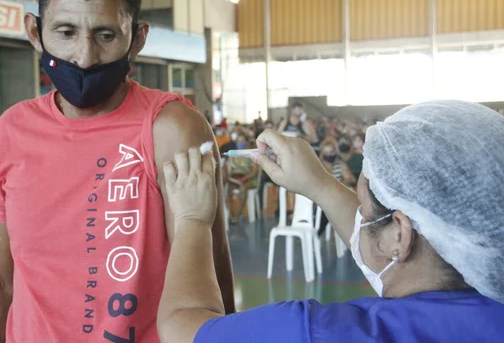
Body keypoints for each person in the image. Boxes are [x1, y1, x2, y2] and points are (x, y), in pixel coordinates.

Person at [0, 0, 234, 342]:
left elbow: (211, 276)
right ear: (34, 32)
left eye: (106, 35)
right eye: (65, 32)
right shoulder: (10, 131)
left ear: (137, 38)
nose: (84, 57)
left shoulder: (172, 129)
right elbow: (0, 279)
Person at [157, 100, 504, 342]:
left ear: (401, 235)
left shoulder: (321, 333)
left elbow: (181, 328)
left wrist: (191, 219)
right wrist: (319, 183)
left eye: (364, 210)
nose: (359, 221)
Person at [224, 134, 258, 223]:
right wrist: (232, 179)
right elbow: (229, 171)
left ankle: (238, 215)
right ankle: (230, 215)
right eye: (239, 141)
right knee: (228, 190)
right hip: (235, 178)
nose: (240, 143)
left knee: (243, 189)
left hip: (247, 177)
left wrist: (245, 178)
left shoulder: (250, 154)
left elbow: (254, 171)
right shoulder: (232, 154)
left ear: (245, 142)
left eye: (242, 141)